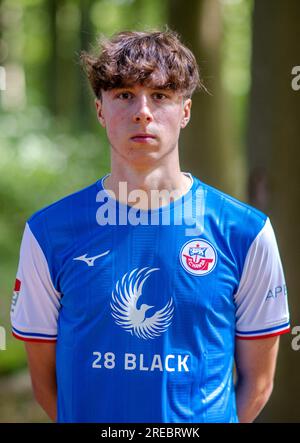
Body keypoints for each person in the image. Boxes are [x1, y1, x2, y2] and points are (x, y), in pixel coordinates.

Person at [10, 29, 290, 423]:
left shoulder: (246, 233)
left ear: (186, 111)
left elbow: (258, 384)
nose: (143, 111)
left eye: (160, 96)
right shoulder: (48, 234)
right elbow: (46, 385)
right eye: (124, 95)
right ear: (100, 110)